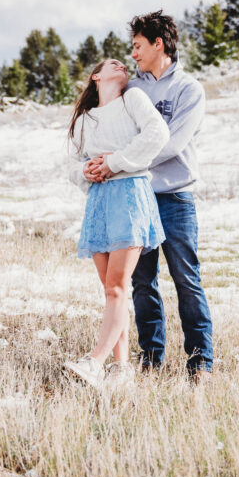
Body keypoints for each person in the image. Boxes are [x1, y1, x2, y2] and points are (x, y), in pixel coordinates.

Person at [85, 10, 213, 382]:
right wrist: (100, 165)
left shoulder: (188, 89)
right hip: (137, 197)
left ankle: (200, 362)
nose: (133, 55)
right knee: (141, 282)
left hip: (174, 197)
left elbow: (171, 143)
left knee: (186, 277)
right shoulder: (132, 90)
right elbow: (114, 134)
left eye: (138, 46)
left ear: (159, 44)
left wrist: (119, 162)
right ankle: (150, 357)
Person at [65, 58, 170, 389]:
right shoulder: (85, 119)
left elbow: (158, 133)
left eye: (125, 62)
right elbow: (70, 163)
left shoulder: (133, 100)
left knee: (117, 287)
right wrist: (85, 172)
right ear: (97, 76)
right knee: (112, 292)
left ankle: (96, 362)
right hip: (98, 201)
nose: (123, 65)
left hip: (129, 194)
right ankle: (121, 369)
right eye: (113, 63)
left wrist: (115, 162)